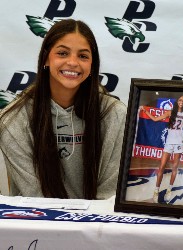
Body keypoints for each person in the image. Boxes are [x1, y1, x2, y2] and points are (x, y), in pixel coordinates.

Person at [0, 19, 127, 200]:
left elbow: (108, 196)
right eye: (62, 53)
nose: (73, 62)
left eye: (83, 56)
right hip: (40, 224)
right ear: (46, 58)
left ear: (92, 65)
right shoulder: (13, 119)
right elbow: (35, 197)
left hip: (97, 225)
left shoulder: (114, 115)